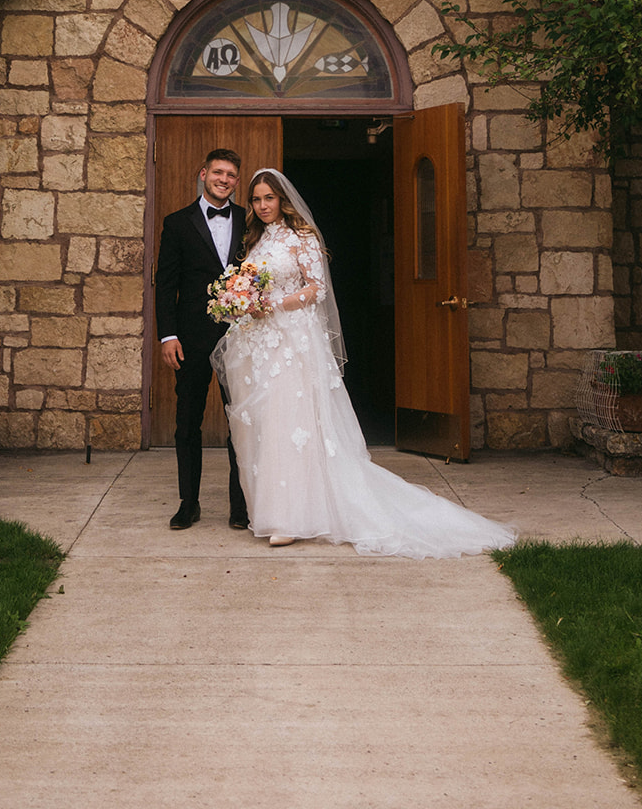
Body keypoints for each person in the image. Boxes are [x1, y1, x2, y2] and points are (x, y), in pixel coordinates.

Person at [213, 168, 517, 559]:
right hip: (262, 344)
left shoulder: (302, 238)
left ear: (282, 200)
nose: (262, 205)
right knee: (270, 425)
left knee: (293, 423)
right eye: (256, 200)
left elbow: (316, 288)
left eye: (268, 198)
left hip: (292, 341)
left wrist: (275, 304)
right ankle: (272, 511)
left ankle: (293, 518)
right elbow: (255, 284)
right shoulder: (255, 241)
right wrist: (243, 300)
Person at [156, 148, 249, 532]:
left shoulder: (249, 220)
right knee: (187, 422)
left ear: (237, 181)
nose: (223, 179)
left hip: (242, 338)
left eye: (230, 175)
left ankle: (240, 506)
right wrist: (167, 335)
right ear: (203, 173)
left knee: (241, 423)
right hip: (191, 339)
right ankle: (188, 503)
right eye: (218, 172)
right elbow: (166, 285)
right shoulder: (177, 223)